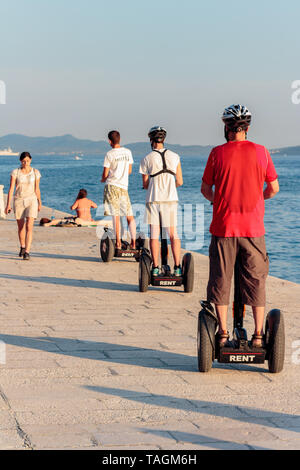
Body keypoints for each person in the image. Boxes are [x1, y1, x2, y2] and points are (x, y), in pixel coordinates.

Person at [201, 104, 279, 347]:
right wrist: (257, 198)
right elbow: (274, 188)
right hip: (253, 229)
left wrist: (221, 201)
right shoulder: (262, 152)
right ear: (248, 128)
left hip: (224, 227)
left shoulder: (217, 153)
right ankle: (257, 336)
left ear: (226, 127)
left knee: (221, 278)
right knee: (256, 279)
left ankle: (223, 334)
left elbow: (206, 189)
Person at [139, 126, 183, 277]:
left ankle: (156, 267)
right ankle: (178, 267)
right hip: (170, 199)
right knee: (173, 234)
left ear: (151, 140)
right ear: (163, 140)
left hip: (153, 199)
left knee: (154, 234)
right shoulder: (175, 156)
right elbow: (180, 181)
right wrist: (170, 185)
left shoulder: (146, 158)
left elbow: (145, 185)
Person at [101, 130, 136, 249]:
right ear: (119, 139)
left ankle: (118, 243)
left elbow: (105, 173)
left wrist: (102, 179)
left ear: (110, 141)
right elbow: (129, 171)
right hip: (124, 187)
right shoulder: (128, 152)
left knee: (115, 215)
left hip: (112, 186)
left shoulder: (109, 154)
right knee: (129, 215)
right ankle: (134, 242)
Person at [5, 151, 42, 260]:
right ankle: (22, 246)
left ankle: (27, 252)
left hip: (32, 200)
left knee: (29, 226)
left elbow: (37, 189)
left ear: (30, 160)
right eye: (23, 161)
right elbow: (11, 189)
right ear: (20, 161)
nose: (25, 163)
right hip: (19, 200)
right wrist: (8, 205)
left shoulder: (35, 172)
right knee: (21, 227)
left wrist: (39, 202)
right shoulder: (15, 172)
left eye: (27, 161)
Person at [40, 189, 106, 227]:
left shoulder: (78, 201)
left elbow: (72, 208)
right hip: (88, 219)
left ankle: (48, 224)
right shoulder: (89, 201)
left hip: (81, 220)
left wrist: (77, 200)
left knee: (66, 219)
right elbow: (95, 206)